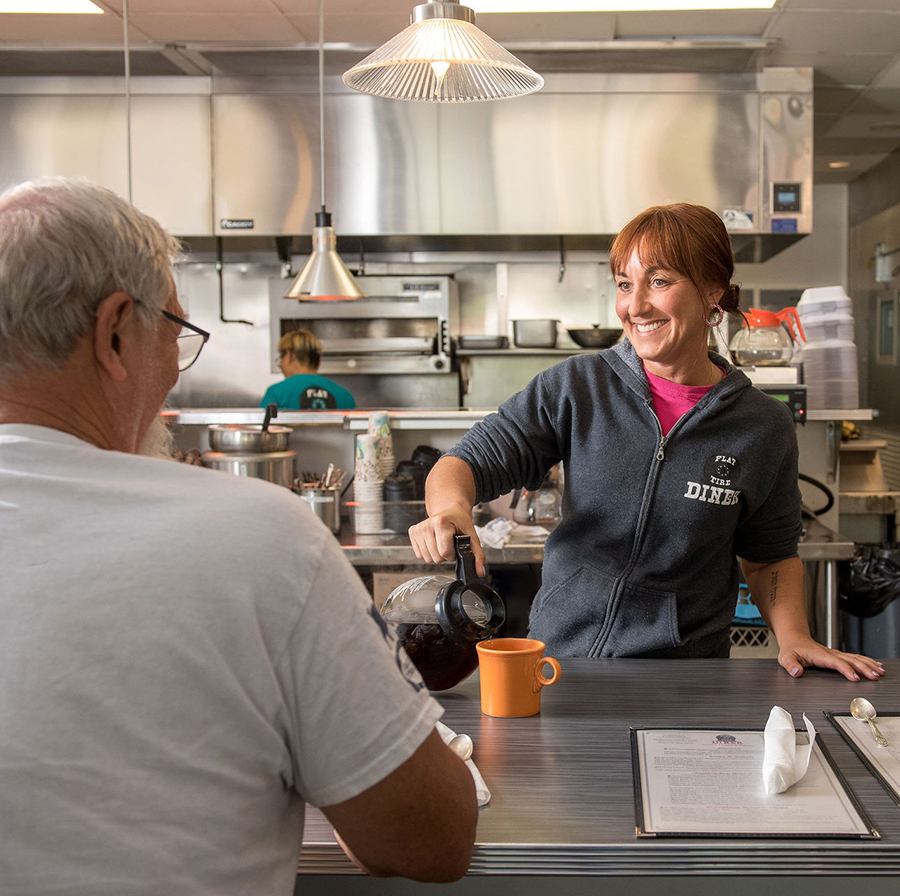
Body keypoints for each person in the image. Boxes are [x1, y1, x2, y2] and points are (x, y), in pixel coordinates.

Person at [0, 176, 477, 895]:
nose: (172, 365)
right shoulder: (261, 541)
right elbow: (430, 839)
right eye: (175, 332)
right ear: (117, 332)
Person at [410, 202, 885, 684]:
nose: (634, 306)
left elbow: (769, 556)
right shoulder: (578, 387)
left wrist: (796, 638)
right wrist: (450, 510)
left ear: (711, 291)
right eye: (624, 284)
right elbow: (466, 461)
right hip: (559, 663)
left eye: (658, 281)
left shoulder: (762, 424)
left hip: (685, 676)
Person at [261, 328, 356, 410]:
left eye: (282, 357)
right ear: (318, 363)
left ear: (290, 357)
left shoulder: (276, 393)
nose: (280, 364)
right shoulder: (344, 396)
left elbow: (261, 427)